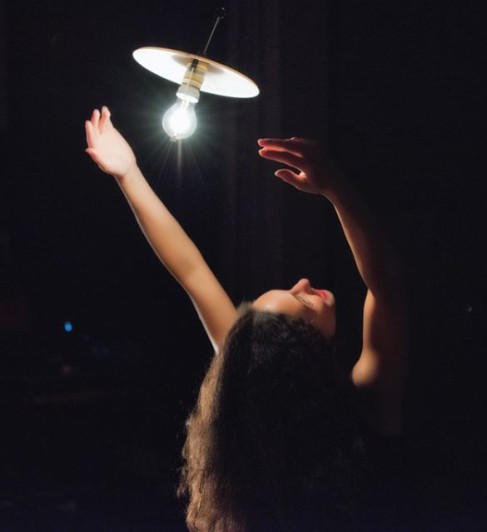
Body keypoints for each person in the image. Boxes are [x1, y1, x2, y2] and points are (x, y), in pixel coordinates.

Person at [84, 107, 407, 530]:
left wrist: (128, 174)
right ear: (300, 356)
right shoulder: (367, 409)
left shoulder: (252, 371)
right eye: (302, 301)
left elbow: (192, 272)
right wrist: (336, 188)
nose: (304, 283)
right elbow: (388, 287)